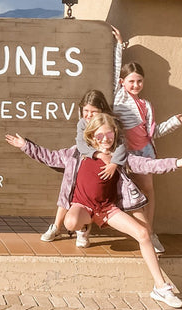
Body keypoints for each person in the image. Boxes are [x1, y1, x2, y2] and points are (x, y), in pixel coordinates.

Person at [5, 112, 182, 308]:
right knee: (71, 222)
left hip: (107, 209)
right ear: (91, 136)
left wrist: (178, 163)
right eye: (100, 135)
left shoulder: (120, 158)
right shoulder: (77, 153)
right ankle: (83, 228)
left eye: (110, 135)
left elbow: (148, 164)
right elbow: (50, 157)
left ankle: (160, 287)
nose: (106, 139)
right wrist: (25, 146)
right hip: (81, 206)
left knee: (143, 233)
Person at [110, 26, 182, 254]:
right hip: (128, 154)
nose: (136, 85)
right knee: (129, 195)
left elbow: (152, 133)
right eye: (132, 81)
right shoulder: (119, 98)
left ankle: (149, 233)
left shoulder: (146, 105)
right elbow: (115, 69)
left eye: (139, 82)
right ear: (123, 82)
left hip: (146, 152)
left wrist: (174, 122)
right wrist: (119, 45)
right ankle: (142, 234)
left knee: (148, 193)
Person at [40, 89, 127, 247]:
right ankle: (58, 226)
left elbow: (121, 146)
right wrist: (98, 155)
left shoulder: (109, 123)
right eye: (85, 110)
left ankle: (84, 228)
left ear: (102, 111)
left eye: (93, 112)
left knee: (94, 194)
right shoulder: (82, 123)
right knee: (68, 192)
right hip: (86, 160)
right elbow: (81, 145)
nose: (88, 115)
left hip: (102, 168)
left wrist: (114, 163)